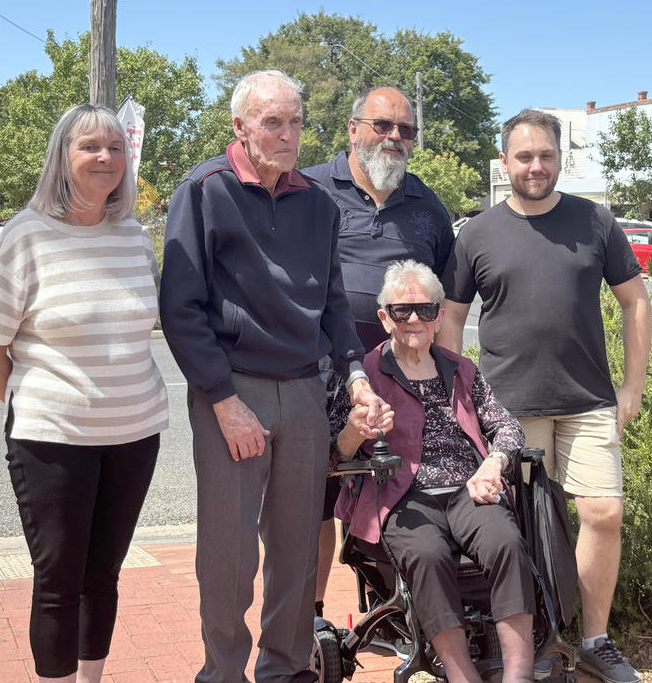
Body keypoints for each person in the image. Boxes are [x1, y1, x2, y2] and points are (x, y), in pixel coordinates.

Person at [159, 69, 387, 683]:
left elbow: (334, 305)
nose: (287, 135)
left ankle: (286, 670)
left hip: (305, 392)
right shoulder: (206, 189)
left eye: (295, 121)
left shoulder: (316, 200)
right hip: (234, 390)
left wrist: (357, 379)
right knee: (229, 554)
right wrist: (223, 401)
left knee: (295, 550)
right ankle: (223, 671)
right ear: (240, 126)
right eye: (271, 122)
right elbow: (180, 308)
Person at [439, 109, 652, 683]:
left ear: (561, 159)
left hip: (588, 400)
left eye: (547, 156)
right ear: (505, 162)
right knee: (526, 530)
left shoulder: (596, 221)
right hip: (510, 409)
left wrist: (632, 387)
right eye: (524, 156)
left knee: (602, 512)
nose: (536, 166)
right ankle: (534, 641)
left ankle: (594, 641)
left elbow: (636, 301)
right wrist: (461, 401)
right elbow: (451, 322)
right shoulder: (477, 234)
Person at [0, 104, 169, 683]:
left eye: (114, 147)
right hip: (52, 441)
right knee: (58, 581)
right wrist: (38, 404)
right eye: (89, 147)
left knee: (103, 575)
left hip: (135, 436)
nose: (104, 157)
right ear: (62, 157)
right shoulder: (24, 237)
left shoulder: (132, 236)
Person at [331, 260, 534, 683]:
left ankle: (519, 674)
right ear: (384, 318)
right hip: (400, 496)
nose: (414, 320)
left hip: (467, 487)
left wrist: (494, 463)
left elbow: (506, 426)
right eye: (401, 311)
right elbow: (335, 453)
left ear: (440, 317)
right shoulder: (363, 376)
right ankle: (463, 676)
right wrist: (354, 430)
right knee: (427, 554)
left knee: (506, 541)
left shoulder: (461, 369)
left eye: (425, 310)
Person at [303, 85, 454, 621]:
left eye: (405, 130)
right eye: (382, 126)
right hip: (321, 380)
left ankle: (397, 615)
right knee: (317, 500)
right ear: (352, 128)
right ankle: (311, 620)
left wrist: (448, 382)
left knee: (397, 491)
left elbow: (446, 299)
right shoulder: (312, 189)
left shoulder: (425, 205)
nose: (394, 137)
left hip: (397, 384)